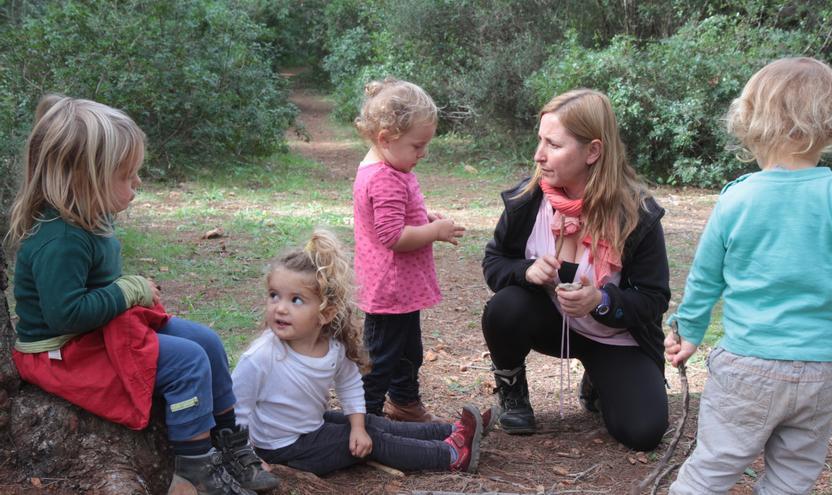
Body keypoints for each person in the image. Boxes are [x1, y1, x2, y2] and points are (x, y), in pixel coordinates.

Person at [6, 95, 278, 495]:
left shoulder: (90, 215)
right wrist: (128, 289)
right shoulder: (60, 239)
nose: (137, 184)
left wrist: (123, 293)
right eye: (126, 175)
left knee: (206, 341)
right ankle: (193, 469)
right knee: (185, 361)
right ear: (84, 178)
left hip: (95, 330)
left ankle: (229, 444)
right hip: (62, 350)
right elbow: (66, 314)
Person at [665, 57, 832, 494]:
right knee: (792, 476)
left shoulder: (738, 198)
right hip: (820, 367)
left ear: (750, 120)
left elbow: (706, 277)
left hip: (748, 366)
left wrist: (689, 331)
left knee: (713, 467)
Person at [481, 89, 671, 451]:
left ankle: (599, 381)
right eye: (540, 141)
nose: (539, 156)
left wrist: (600, 300)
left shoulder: (637, 214)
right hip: (548, 323)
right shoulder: (528, 199)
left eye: (553, 145)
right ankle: (512, 389)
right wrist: (525, 270)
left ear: (593, 151)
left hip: (614, 337)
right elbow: (495, 262)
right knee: (505, 306)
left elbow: (653, 299)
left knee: (644, 432)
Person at [231, 230, 495, 475]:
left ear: (326, 313)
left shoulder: (331, 347)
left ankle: (453, 430)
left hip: (309, 426)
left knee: (370, 424)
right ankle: (450, 454)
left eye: (295, 300)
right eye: (274, 295)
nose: (280, 308)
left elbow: (349, 386)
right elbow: (235, 412)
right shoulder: (261, 357)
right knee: (375, 440)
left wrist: (357, 427)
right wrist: (250, 457)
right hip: (282, 447)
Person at [352, 78, 465, 422]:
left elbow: (391, 214)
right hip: (390, 287)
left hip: (398, 288)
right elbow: (391, 236)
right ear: (386, 138)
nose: (423, 154)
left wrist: (423, 216)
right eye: (417, 146)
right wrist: (434, 231)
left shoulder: (383, 166)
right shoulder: (385, 177)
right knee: (381, 356)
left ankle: (404, 403)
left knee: (407, 352)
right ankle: (364, 416)